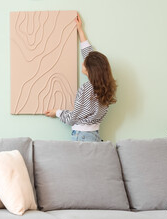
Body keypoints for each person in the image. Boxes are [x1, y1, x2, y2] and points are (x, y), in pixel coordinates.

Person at [45, 14, 117, 142]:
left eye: (85, 63)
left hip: (82, 136)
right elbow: (89, 55)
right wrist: (80, 29)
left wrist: (57, 112)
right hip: (94, 134)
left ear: (90, 70)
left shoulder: (87, 89)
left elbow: (74, 117)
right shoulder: (105, 86)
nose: (83, 62)